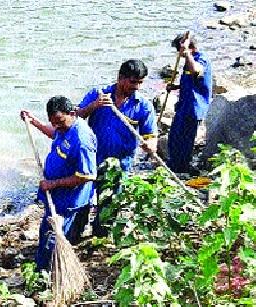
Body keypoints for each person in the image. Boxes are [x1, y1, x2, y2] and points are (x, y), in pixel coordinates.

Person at [77, 59, 158, 236]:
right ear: (120, 78)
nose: (136, 86)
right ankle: (74, 234)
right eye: (132, 81)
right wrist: (95, 105)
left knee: (108, 207)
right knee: (82, 202)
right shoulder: (99, 94)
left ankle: (100, 238)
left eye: (140, 82)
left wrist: (150, 146)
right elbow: (76, 117)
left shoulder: (143, 106)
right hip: (91, 159)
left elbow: (151, 136)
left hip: (119, 164)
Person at [20, 96, 97, 271]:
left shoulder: (82, 140)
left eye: (60, 122)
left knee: (52, 237)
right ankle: (43, 265)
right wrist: (34, 122)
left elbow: (86, 176)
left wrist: (53, 183)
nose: (57, 126)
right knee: (46, 231)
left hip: (68, 200)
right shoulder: (62, 127)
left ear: (72, 113)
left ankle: (45, 272)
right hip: (55, 195)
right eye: (53, 123)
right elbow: (54, 133)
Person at [166, 33, 212, 173]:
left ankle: (181, 168)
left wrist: (186, 53)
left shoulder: (200, 60)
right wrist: (175, 87)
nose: (178, 55)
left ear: (189, 47)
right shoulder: (188, 62)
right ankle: (173, 164)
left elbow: (196, 71)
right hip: (183, 106)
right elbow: (192, 82)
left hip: (193, 108)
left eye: (178, 50)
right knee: (174, 137)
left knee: (184, 140)